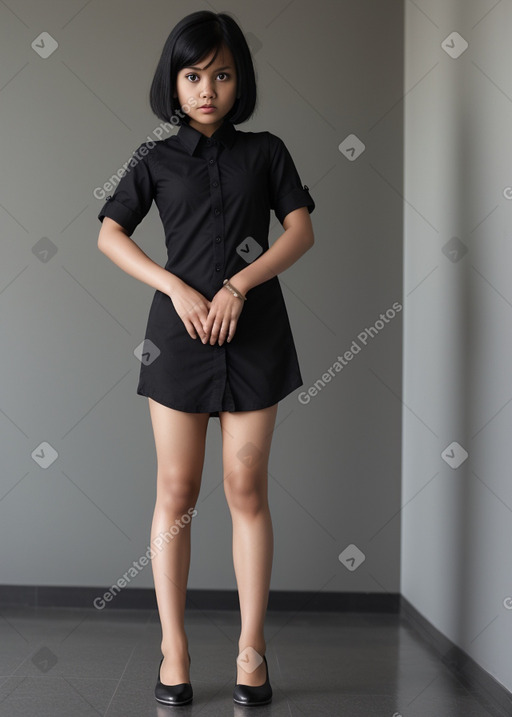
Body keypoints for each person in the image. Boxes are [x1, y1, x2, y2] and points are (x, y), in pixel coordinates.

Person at [96, 9, 315, 707]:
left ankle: (252, 652)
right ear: (175, 82)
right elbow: (109, 234)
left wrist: (239, 284)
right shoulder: (153, 160)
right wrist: (175, 285)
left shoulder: (268, 151)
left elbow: (301, 231)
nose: (207, 88)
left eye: (221, 74)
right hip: (179, 336)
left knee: (246, 488)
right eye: (194, 75)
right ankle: (175, 648)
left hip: (255, 333)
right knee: (176, 491)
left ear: (238, 80)